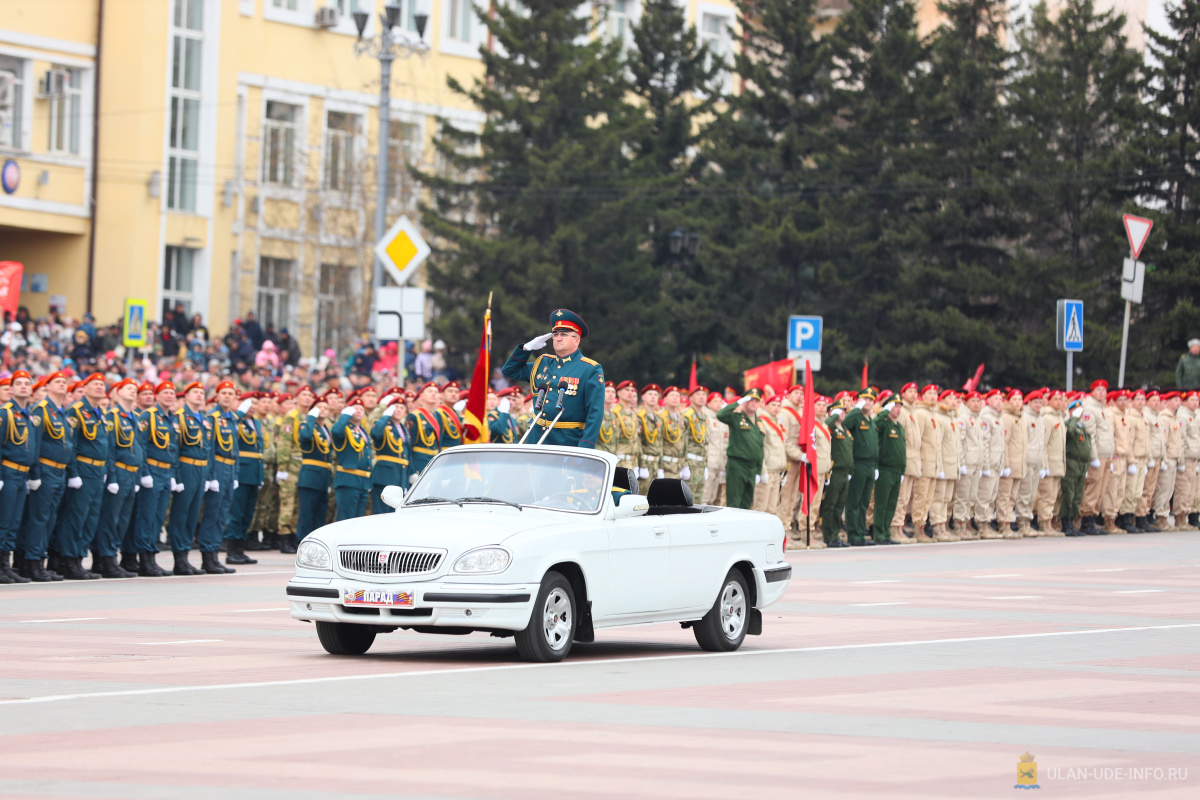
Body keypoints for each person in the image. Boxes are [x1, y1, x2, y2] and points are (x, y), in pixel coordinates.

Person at [501, 309, 605, 448]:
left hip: (567, 441)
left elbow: (595, 412)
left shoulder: (590, 369)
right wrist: (526, 348)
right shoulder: (543, 363)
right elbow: (509, 370)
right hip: (536, 438)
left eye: (564, 334)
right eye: (555, 334)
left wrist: (586, 447)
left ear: (576, 340)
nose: (558, 338)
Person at [55, 373, 111, 580]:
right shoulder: (76, 411)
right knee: (76, 516)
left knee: (91, 518)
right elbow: (71, 444)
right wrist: (74, 473)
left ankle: (79, 558)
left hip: (98, 470)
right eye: (94, 384)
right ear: (84, 387)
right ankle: (68, 560)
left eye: (102, 384)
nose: (99, 387)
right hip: (84, 469)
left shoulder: (101, 412)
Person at [20, 371, 74, 581]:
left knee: (50, 518)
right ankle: (32, 562)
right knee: (39, 518)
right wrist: (35, 474)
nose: (62, 385)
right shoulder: (41, 410)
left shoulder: (62, 412)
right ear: (47, 386)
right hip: (45, 469)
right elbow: (34, 444)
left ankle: (39, 560)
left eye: (64, 382)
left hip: (60, 470)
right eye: (57, 382)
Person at [90, 378, 143, 578]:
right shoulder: (112, 416)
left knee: (122, 519)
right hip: (119, 471)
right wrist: (111, 476)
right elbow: (109, 448)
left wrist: (138, 476)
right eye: (128, 388)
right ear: (117, 392)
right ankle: (106, 559)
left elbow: (138, 448)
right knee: (110, 518)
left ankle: (112, 555)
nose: (132, 392)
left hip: (131, 473)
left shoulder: (134, 417)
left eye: (134, 389)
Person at [130, 380, 178, 576]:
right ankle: (145, 559)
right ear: (156, 396)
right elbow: (140, 445)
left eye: (171, 393)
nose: (169, 396)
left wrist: (173, 474)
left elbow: (173, 448)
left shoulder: (171, 418)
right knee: (147, 517)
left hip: (166, 471)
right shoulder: (148, 416)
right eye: (164, 392)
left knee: (158, 517)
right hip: (153, 470)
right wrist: (144, 473)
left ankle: (152, 556)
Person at [165, 381, 212, 575]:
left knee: (193, 514)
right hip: (186, 466)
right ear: (186, 396)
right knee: (181, 513)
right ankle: (179, 557)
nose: (199, 395)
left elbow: (208, 448)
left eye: (201, 392)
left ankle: (185, 554)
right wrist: (176, 474)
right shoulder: (180, 418)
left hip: (201, 469)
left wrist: (209, 474)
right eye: (195, 392)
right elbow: (175, 447)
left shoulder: (204, 419)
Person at [0, 370, 39, 583]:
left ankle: (6, 565)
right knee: (3, 521)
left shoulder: (29, 415)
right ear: (12, 389)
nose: (23, 386)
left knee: (14, 522)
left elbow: (32, 449)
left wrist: (34, 474)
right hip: (8, 472)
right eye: (19, 383)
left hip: (22, 473)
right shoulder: (5, 412)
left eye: (27, 383)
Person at [224, 391, 266, 565]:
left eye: (255, 403)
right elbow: (230, 429)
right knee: (237, 513)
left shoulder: (256, 422)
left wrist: (260, 476)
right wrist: (239, 413)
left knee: (247, 514)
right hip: (241, 473)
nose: (253, 407)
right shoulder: (236, 419)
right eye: (249, 403)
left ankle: (240, 550)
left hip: (254, 474)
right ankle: (231, 550)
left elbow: (259, 450)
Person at [716, 388, 765, 510]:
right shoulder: (736, 417)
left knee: (747, 504)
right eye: (750, 400)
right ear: (745, 402)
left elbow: (759, 447)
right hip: (737, 466)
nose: (753, 403)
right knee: (734, 503)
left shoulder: (759, 422)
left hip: (752, 468)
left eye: (756, 401)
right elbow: (720, 415)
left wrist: (759, 470)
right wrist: (738, 402)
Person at [297, 394, 335, 541]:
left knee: (320, 513)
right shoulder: (306, 425)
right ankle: (302, 542)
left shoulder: (326, 428)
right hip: (310, 475)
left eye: (325, 407)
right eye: (319, 407)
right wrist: (310, 417)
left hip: (324, 475)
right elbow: (306, 437)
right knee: (307, 513)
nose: (323, 410)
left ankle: (316, 543)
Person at [1079, 379, 1115, 534]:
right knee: (1092, 488)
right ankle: (1086, 520)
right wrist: (1093, 457)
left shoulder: (1104, 409)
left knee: (1100, 490)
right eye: (1098, 390)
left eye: (1104, 390)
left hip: (1106, 454)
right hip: (1097, 455)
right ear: (1092, 392)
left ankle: (1092, 518)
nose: (1101, 392)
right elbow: (1089, 435)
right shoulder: (1089, 409)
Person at [819, 395, 854, 548]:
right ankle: (828, 535)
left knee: (839, 506)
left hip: (845, 473)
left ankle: (836, 534)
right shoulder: (831, 426)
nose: (842, 413)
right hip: (835, 472)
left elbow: (849, 451)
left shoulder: (845, 429)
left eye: (844, 410)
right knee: (830, 505)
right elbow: (827, 424)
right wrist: (833, 415)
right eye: (839, 410)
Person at [331, 397, 373, 520]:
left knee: (357, 520)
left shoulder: (362, 431)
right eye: (355, 409)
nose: (359, 411)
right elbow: (336, 432)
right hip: (349, 479)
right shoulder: (345, 428)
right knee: (345, 518)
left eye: (361, 409)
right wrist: (345, 415)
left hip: (363, 481)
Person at [874, 394, 908, 545]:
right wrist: (883, 412)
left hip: (896, 469)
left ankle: (886, 532)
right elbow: (876, 423)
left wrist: (902, 470)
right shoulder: (884, 422)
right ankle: (879, 533)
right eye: (895, 406)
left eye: (900, 406)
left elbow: (902, 450)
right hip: (885, 468)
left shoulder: (899, 426)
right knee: (882, 503)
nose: (898, 409)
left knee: (892, 503)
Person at [910, 384, 941, 543]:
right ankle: (918, 527)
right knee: (920, 497)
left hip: (933, 464)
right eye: (929, 393)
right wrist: (918, 464)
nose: (933, 396)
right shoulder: (921, 414)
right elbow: (917, 440)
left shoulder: (934, 414)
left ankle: (923, 525)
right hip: (923, 462)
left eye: (935, 393)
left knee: (928, 499)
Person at [371, 394, 411, 512]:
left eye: (402, 408)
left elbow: (407, 452)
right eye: (395, 407)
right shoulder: (382, 424)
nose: (398, 410)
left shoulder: (403, 428)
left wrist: (411, 473)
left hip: (400, 475)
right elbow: (376, 433)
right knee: (381, 512)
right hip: (385, 475)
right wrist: (386, 416)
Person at [1015, 390, 1045, 538]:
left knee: (1032, 494)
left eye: (1040, 402)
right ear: (1029, 403)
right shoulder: (1025, 417)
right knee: (1025, 493)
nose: (1038, 405)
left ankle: (1027, 521)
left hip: (1037, 461)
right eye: (1035, 402)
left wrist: (1043, 463)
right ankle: (1022, 522)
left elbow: (1042, 443)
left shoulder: (1040, 418)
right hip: (1027, 460)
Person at [1037, 389, 1068, 537]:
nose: (1060, 402)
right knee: (1047, 495)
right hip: (1049, 464)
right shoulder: (1048, 418)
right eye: (1056, 399)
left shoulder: (1059, 418)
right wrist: (1044, 465)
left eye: (1061, 399)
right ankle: (1044, 522)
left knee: (1054, 496)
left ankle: (1050, 521)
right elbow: (1043, 443)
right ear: (1049, 401)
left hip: (1058, 464)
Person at [752, 394, 787, 516]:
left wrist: (784, 469)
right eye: (773, 405)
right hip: (767, 470)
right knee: (760, 508)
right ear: (766, 406)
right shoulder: (762, 421)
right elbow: (759, 448)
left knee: (772, 509)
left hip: (776, 471)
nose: (776, 408)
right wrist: (762, 470)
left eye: (779, 405)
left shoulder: (777, 423)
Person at [1061, 397, 1092, 536]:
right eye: (1075, 410)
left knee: (1077, 496)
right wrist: (1073, 418)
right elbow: (1070, 433)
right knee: (1069, 494)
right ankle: (1066, 522)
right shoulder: (1069, 424)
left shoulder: (1082, 427)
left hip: (1081, 464)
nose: (1079, 413)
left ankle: (1072, 521)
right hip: (1072, 463)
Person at [407, 382, 443, 475]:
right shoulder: (415, 416)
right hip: (419, 463)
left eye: (436, 392)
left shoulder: (437, 416)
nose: (433, 393)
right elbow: (408, 447)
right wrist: (412, 472)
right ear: (422, 396)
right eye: (430, 391)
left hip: (434, 463)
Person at [681, 386, 709, 502]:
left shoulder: (704, 416)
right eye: (698, 394)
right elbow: (682, 442)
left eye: (704, 394)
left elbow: (705, 442)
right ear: (691, 397)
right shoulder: (686, 415)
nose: (702, 397)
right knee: (688, 499)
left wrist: (706, 464)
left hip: (701, 463)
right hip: (690, 462)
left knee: (699, 499)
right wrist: (684, 465)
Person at [703, 391, 728, 505]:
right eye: (715, 401)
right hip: (710, 464)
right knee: (705, 497)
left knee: (714, 500)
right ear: (708, 404)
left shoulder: (723, 420)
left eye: (720, 401)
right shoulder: (706, 418)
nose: (718, 404)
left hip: (720, 465)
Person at [658, 386, 687, 479]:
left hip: (678, 466)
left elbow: (684, 443)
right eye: (672, 395)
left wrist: (685, 465)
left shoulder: (681, 418)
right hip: (666, 465)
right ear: (665, 399)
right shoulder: (661, 416)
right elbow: (658, 443)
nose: (675, 398)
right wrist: (659, 467)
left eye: (677, 396)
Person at [636, 384, 663, 480]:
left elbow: (660, 443)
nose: (653, 397)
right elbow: (638, 443)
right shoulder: (639, 416)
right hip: (644, 463)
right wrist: (642, 466)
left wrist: (661, 466)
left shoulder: (659, 418)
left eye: (655, 394)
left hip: (655, 464)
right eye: (650, 394)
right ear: (643, 397)